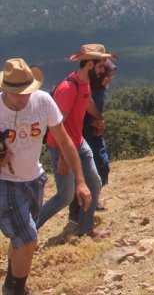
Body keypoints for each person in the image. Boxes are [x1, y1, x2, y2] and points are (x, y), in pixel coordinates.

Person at [1, 58, 91, 295]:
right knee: (29, 239)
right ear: (4, 89)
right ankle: (16, 291)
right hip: (4, 183)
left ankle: (11, 283)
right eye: (16, 94)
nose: (22, 98)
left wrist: (81, 182)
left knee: (21, 240)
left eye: (26, 92)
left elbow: (65, 141)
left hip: (34, 179)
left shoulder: (42, 102)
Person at [36, 44, 114, 239]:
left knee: (94, 184)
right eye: (100, 66)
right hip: (62, 148)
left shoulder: (84, 82)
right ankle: (29, 231)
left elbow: (87, 103)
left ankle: (85, 229)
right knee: (65, 196)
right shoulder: (67, 88)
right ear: (89, 65)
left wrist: (99, 118)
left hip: (79, 143)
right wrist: (63, 156)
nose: (103, 70)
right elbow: (57, 125)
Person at [68, 60, 115, 224]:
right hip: (83, 135)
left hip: (94, 135)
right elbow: (78, 115)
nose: (108, 79)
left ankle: (91, 201)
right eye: (105, 74)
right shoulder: (85, 88)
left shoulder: (99, 88)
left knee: (102, 168)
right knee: (87, 175)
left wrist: (100, 122)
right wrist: (96, 120)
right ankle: (78, 214)